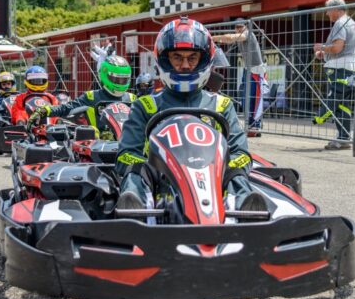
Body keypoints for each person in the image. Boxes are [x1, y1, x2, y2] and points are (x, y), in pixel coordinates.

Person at [115, 17, 264, 213]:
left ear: (204, 60)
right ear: (164, 59)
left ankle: (246, 206)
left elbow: (242, 154)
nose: (185, 65)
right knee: (135, 169)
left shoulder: (221, 105)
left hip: (211, 178)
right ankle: (134, 206)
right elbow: (126, 155)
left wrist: (224, 167)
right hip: (160, 181)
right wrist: (148, 168)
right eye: (177, 57)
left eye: (192, 57)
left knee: (236, 169)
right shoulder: (146, 106)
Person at [29, 55, 134, 137]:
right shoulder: (91, 96)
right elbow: (66, 108)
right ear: (104, 75)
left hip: (128, 144)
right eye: (117, 79)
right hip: (99, 143)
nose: (120, 83)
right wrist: (45, 111)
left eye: (123, 80)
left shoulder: (132, 99)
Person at [314, 0, 355, 149]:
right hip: (348, 67)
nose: (326, 14)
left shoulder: (340, 23)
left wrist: (322, 48)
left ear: (336, 9)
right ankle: (343, 138)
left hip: (339, 68)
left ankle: (320, 118)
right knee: (344, 104)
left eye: (328, 10)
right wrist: (325, 54)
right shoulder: (352, 23)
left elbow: (338, 48)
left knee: (335, 101)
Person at [214, 19, 268, 136]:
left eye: (241, 27)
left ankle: (255, 126)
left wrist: (213, 38)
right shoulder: (240, 35)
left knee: (254, 99)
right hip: (247, 69)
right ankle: (250, 125)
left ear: (246, 27)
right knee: (245, 98)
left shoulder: (248, 34)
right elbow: (229, 39)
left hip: (256, 71)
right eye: (237, 27)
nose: (238, 29)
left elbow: (231, 38)